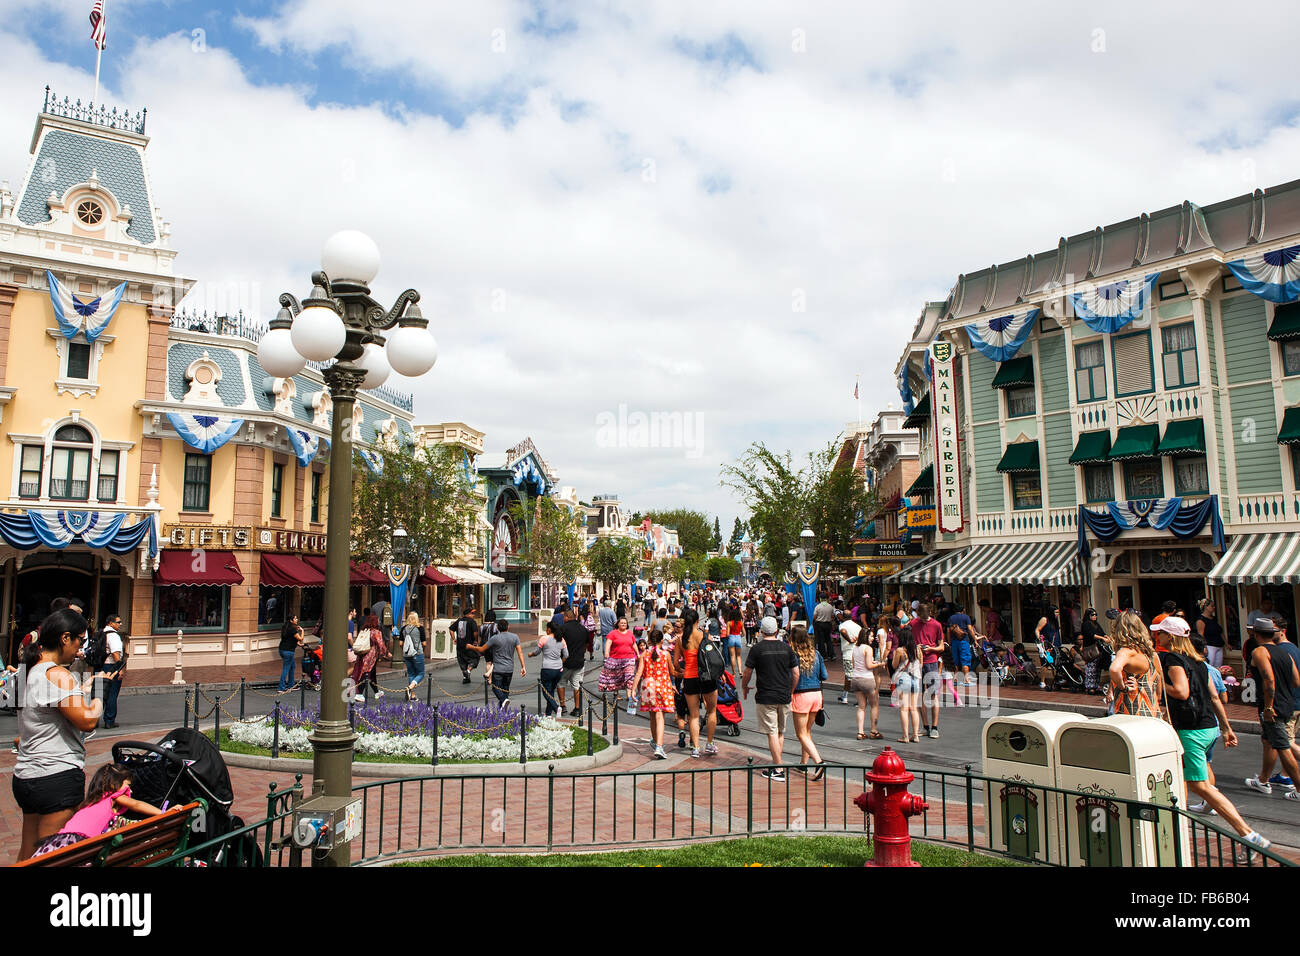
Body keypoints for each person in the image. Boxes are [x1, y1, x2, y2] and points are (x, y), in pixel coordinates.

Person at [1158, 626, 1272, 851]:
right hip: (1209, 727)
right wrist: (1226, 727)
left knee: (1200, 785)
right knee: (1186, 778)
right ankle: (1175, 832)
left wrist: (1160, 683)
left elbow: (1181, 692)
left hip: (1191, 730)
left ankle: (1248, 835)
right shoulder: (1200, 662)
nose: (1157, 636)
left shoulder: (1173, 659)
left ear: (1170, 637)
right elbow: (1214, 697)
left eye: (1160, 632)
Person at [13, 609, 102, 861]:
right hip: (56, 776)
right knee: (53, 856)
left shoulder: (28, 671)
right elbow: (86, 720)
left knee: (29, 852)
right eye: (80, 641)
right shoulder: (57, 673)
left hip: (27, 776)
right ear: (65, 638)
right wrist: (97, 701)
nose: (81, 649)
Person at [30, 762, 165, 858]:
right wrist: (163, 813)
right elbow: (136, 804)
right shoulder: (113, 796)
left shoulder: (90, 802)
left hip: (60, 840)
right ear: (113, 785)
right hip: (81, 843)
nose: (130, 790)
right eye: (127, 785)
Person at [1243, 618, 1300, 799]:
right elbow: (1296, 681)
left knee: (1283, 747)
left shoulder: (1260, 651)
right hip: (1286, 702)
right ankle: (1263, 780)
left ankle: (1299, 789)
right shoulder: (1285, 652)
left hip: (1272, 706)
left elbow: (1269, 680)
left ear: (1256, 633)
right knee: (1268, 741)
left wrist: (1268, 707)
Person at [742, 617, 800, 781]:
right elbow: (796, 673)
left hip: (766, 696)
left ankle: (778, 769)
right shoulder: (787, 649)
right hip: (784, 695)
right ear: (776, 631)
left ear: (761, 632)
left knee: (772, 732)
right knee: (780, 731)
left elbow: (747, 672)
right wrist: (791, 690)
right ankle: (776, 765)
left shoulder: (757, 649)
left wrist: (744, 686)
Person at [673, 609, 718, 758]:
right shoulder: (705, 636)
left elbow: (676, 664)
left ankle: (696, 748)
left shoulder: (680, 640)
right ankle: (710, 744)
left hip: (690, 677)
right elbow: (713, 658)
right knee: (711, 711)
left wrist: (682, 672)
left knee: (693, 715)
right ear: (698, 621)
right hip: (707, 677)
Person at [630, 628, 677, 759]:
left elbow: (639, 672)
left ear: (649, 641)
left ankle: (656, 742)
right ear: (662, 641)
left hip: (647, 686)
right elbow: (672, 672)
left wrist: (634, 689)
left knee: (652, 716)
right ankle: (659, 746)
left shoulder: (644, 654)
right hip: (662, 686)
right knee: (660, 716)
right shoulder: (665, 654)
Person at [788, 624, 827, 779]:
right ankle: (804, 764)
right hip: (816, 695)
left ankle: (818, 762)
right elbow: (824, 675)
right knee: (807, 731)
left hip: (801, 695)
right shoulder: (816, 653)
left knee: (801, 733)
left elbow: (791, 676)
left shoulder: (793, 654)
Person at [1109, 611, 1164, 719]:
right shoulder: (1152, 654)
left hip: (1131, 716)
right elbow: (1159, 692)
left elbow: (1114, 669)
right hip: (1152, 714)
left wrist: (1123, 687)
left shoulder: (1126, 651)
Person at [468, 620, 525, 707]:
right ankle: (502, 709)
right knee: (505, 689)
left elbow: (482, 649)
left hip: (498, 668)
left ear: (498, 628)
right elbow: (520, 652)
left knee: (495, 688)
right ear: (508, 627)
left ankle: (503, 700)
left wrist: (470, 647)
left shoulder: (495, 638)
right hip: (509, 668)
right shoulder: (515, 637)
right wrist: (523, 666)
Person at [911, 603, 945, 738]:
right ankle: (926, 726)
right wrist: (916, 647)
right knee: (921, 695)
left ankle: (934, 727)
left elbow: (941, 646)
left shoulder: (937, 625)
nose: (923, 619)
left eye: (925, 617)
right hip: (918, 662)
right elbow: (906, 640)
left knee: (933, 694)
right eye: (921, 617)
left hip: (931, 661)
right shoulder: (913, 623)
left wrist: (931, 649)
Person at [851, 618, 885, 740]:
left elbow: (854, 664)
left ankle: (860, 732)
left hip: (856, 679)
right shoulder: (868, 648)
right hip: (867, 679)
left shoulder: (855, 648)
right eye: (871, 636)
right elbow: (869, 666)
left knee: (861, 706)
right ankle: (873, 731)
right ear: (866, 637)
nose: (872, 638)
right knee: (874, 705)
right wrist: (879, 664)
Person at [530, 621, 569, 716]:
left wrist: (531, 654)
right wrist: (560, 662)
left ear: (549, 629)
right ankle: (548, 713)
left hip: (547, 668)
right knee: (551, 690)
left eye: (546, 629)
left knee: (545, 691)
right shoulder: (561, 640)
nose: (546, 631)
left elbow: (537, 651)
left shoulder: (544, 638)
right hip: (558, 669)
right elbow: (566, 655)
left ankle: (556, 708)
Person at [891, 626, 923, 744]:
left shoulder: (900, 650)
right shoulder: (918, 650)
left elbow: (894, 665)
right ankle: (915, 735)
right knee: (914, 709)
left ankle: (905, 736)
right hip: (916, 679)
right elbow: (921, 665)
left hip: (904, 678)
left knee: (904, 709)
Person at [350, 614, 390, 702]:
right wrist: (386, 653)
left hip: (363, 655)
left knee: (372, 674)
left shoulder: (365, 630)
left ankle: (376, 692)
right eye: (377, 620)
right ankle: (359, 694)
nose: (379, 622)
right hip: (371, 656)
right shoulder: (376, 632)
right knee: (366, 674)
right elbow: (381, 644)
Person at [597, 616, 640, 700]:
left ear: (627, 624)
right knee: (615, 677)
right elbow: (608, 642)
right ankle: (616, 694)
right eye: (622, 623)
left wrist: (637, 653)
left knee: (629, 676)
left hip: (629, 658)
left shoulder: (630, 633)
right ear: (618, 624)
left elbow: (634, 644)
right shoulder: (613, 633)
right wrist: (606, 652)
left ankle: (629, 694)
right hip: (615, 659)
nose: (623, 624)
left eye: (625, 623)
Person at [558, 607, 589, 717]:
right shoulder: (583, 629)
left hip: (565, 662)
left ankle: (563, 706)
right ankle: (577, 708)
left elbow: (558, 645)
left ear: (567, 617)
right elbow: (586, 644)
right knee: (577, 685)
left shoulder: (562, 629)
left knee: (561, 682)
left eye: (564, 617)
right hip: (579, 661)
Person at [98, 614, 126, 728]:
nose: (120, 624)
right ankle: (109, 720)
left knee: (99, 694)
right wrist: (120, 669)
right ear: (110, 623)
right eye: (118, 622)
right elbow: (116, 654)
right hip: (110, 667)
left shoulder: (100, 633)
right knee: (111, 694)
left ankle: (94, 720)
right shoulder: (114, 636)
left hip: (100, 666)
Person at [1080, 608, 1110, 695]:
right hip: (1090, 648)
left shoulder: (1096, 624)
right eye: (1092, 615)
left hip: (1099, 648)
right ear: (1088, 615)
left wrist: (1106, 636)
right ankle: (1090, 687)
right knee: (1091, 668)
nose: (1095, 616)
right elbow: (1091, 635)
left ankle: (1096, 685)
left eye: (1096, 614)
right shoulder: (1086, 624)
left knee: (1098, 668)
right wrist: (1102, 638)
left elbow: (1101, 632)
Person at [947, 603, 976, 686]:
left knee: (955, 660)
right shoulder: (966, 617)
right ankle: (966, 680)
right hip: (964, 641)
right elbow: (970, 629)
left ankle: (955, 679)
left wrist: (949, 643)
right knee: (965, 660)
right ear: (962, 610)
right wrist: (974, 639)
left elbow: (948, 631)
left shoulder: (951, 618)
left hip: (954, 642)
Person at [837, 610, 863, 705]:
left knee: (850, 676)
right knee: (851, 675)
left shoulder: (843, 625)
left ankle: (856, 698)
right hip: (858, 653)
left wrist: (850, 640)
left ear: (843, 617)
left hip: (848, 653)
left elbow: (843, 631)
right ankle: (844, 695)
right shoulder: (858, 626)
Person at [400, 611, 426, 701]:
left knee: (411, 674)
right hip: (417, 653)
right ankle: (410, 688)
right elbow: (424, 643)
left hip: (407, 655)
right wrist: (422, 650)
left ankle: (412, 695)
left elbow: (400, 643)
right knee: (421, 674)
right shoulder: (420, 628)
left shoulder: (403, 629)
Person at [1035, 606, 1062, 689]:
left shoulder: (1055, 621)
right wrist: (1040, 640)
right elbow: (1037, 630)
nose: (1057, 614)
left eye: (1058, 612)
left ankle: (1056, 679)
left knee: (1056, 662)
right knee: (1046, 663)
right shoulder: (1044, 619)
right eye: (1056, 612)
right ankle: (1042, 681)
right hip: (1046, 644)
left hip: (1055, 643)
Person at [454, 607, 481, 684]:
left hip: (460, 645)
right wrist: (475, 640)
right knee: (475, 658)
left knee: (462, 661)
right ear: (467, 614)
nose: (474, 615)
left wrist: (454, 638)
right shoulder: (472, 621)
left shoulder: (459, 621)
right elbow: (475, 632)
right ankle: (468, 671)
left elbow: (451, 629)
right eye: (472, 613)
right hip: (470, 645)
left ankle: (465, 677)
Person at [1196, 599, 1225, 670]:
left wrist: (1226, 644)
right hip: (1210, 646)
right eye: (1212, 606)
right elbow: (1201, 635)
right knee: (1210, 667)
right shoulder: (1201, 620)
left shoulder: (1214, 618)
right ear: (1206, 607)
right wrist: (1204, 647)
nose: (1214, 607)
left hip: (1219, 645)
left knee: (1218, 668)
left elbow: (1220, 631)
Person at [278, 613, 302, 693]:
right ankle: (281, 687)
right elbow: (300, 638)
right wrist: (302, 631)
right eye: (295, 618)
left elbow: (290, 638)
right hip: (288, 651)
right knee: (286, 668)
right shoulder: (293, 629)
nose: (297, 619)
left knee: (292, 666)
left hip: (282, 649)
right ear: (291, 620)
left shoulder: (286, 627)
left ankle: (291, 685)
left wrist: (298, 644)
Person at [812, 592, 836, 662]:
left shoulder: (818, 607)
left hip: (819, 624)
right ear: (826, 598)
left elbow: (814, 617)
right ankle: (832, 655)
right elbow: (832, 616)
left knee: (821, 640)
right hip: (828, 624)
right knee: (828, 640)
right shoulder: (830, 606)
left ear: (820, 599)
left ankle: (823, 656)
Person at [724, 607, 745, 675]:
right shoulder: (741, 623)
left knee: (732, 656)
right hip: (738, 637)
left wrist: (730, 636)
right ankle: (740, 671)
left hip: (731, 638)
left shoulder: (729, 623)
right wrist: (739, 636)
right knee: (738, 656)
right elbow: (744, 633)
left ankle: (734, 673)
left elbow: (727, 634)